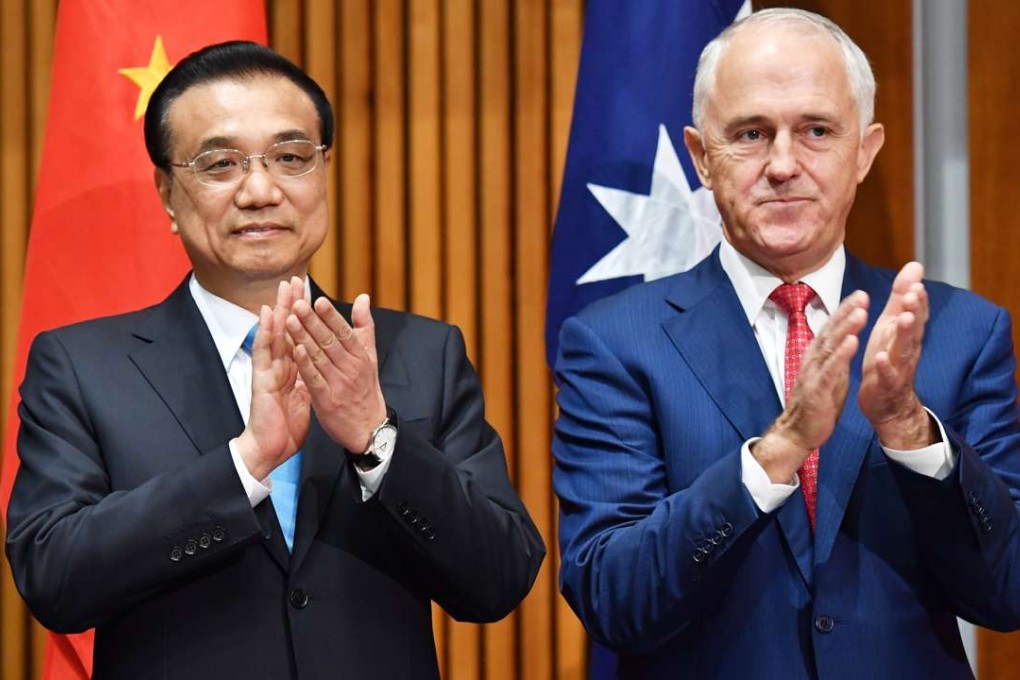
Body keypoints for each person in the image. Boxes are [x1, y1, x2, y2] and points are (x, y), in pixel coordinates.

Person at [5, 41, 544, 679]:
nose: (260, 191)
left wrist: (378, 442)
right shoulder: (82, 367)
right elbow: (54, 577)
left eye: (290, 158)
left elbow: (500, 579)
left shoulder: (421, 354)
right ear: (167, 193)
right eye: (220, 164)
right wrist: (245, 464)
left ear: (323, 172)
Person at [552, 8, 1020, 678]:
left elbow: (1005, 593)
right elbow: (613, 600)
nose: (782, 164)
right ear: (700, 158)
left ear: (865, 150)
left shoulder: (960, 333)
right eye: (750, 133)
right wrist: (777, 453)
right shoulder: (614, 344)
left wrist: (909, 428)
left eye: (817, 131)